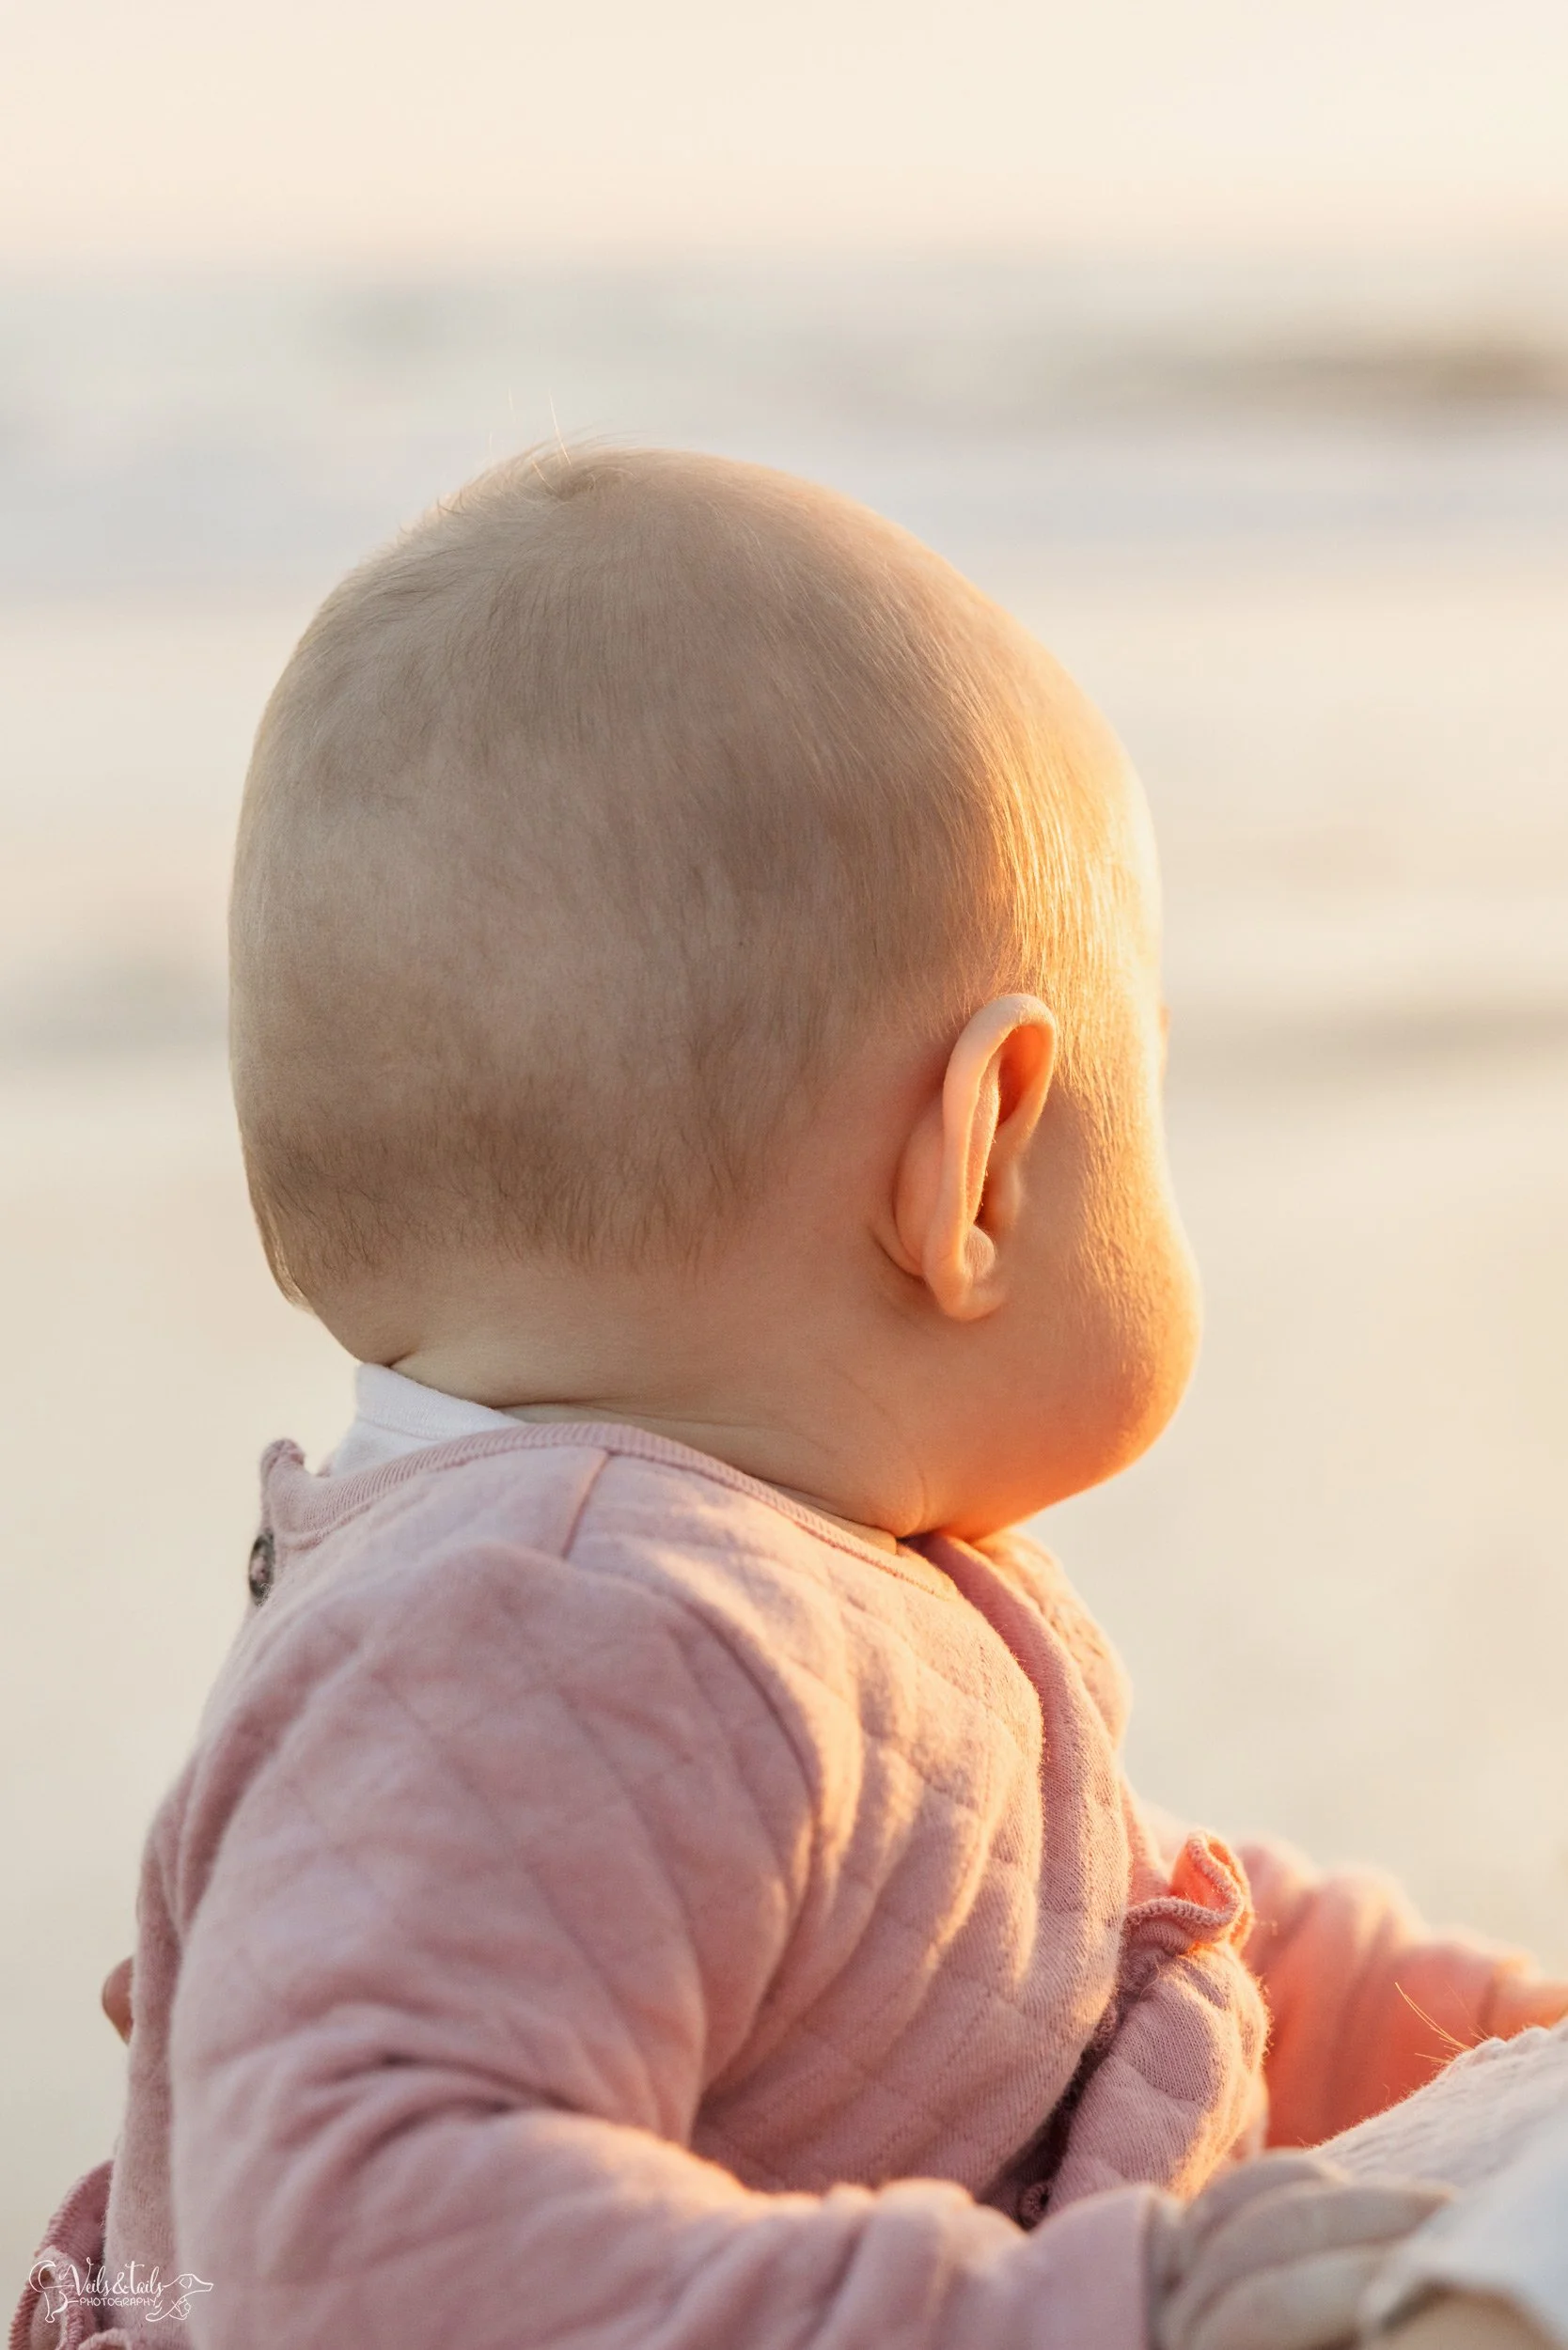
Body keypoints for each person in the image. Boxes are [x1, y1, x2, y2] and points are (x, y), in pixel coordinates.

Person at [16, 449, 1568, 2350]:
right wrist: (1118, 2310)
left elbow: (1103, 1950)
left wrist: (1505, 2019)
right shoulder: (561, 1635)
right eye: (1139, 1090)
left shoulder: (718, 1587)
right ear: (979, 1154)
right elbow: (342, 2258)